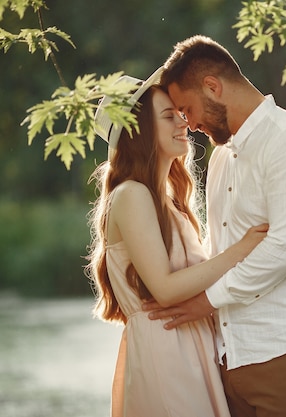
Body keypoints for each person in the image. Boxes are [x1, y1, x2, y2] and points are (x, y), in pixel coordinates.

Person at [144, 35, 286, 417]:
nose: (189, 124)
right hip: (230, 358)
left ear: (212, 86)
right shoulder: (220, 160)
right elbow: (220, 253)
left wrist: (206, 301)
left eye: (187, 108)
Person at [86, 67, 268, 417]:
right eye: (168, 116)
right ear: (138, 132)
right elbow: (166, 290)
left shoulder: (171, 202)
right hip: (166, 350)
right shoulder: (130, 195)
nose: (183, 122)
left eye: (180, 114)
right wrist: (241, 250)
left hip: (193, 347)